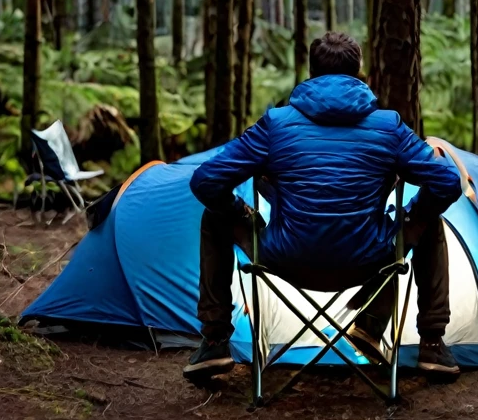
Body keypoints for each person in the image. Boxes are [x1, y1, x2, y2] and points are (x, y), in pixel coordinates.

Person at [183, 32, 463, 383]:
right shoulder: (389, 126)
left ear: (311, 72)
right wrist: (413, 214)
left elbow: (205, 181)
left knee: (215, 217)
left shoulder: (275, 124)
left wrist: (241, 211)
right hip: (369, 261)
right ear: (358, 72)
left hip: (286, 259)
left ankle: (214, 341)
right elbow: (448, 182)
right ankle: (430, 343)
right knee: (428, 222)